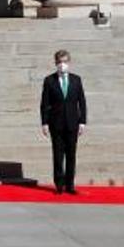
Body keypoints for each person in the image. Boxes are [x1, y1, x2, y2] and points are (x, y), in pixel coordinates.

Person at [40, 48, 86, 195]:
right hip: (56, 124)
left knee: (71, 155)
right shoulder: (49, 80)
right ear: (55, 63)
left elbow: (82, 102)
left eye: (65, 61)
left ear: (69, 62)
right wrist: (45, 123)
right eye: (59, 62)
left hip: (73, 123)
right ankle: (59, 185)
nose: (62, 64)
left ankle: (70, 185)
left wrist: (82, 121)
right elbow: (44, 103)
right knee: (58, 155)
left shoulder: (76, 80)